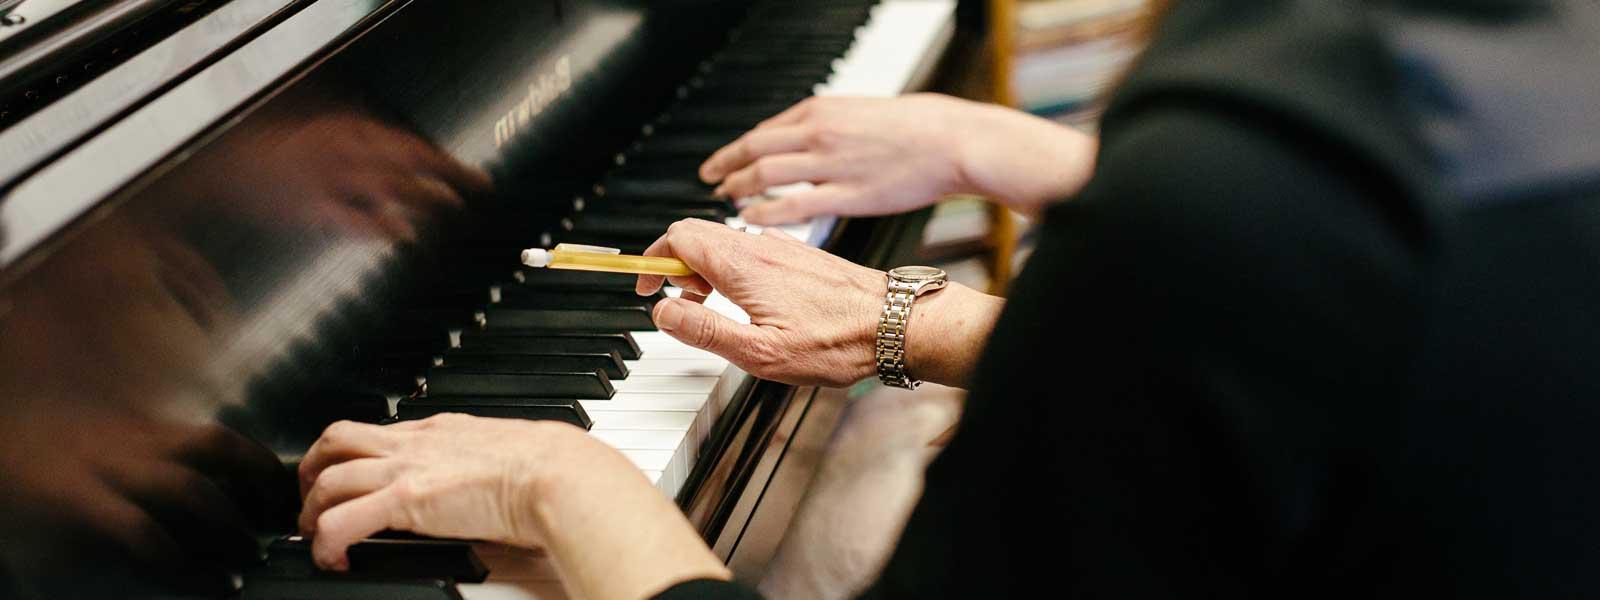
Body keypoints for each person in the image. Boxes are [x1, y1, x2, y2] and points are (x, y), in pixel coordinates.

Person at [295, 0, 1600, 598]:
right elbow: (1356, 349)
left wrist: (566, 489)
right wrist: (933, 292)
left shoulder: (1244, 184)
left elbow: (1259, 266)